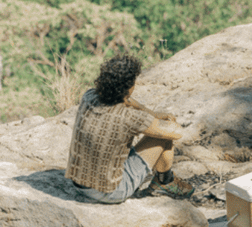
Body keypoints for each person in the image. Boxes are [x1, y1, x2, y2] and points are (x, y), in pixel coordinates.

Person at [65, 54, 194, 202]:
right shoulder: (129, 117)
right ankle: (164, 182)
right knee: (163, 138)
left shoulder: (89, 96)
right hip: (110, 192)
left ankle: (164, 181)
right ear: (129, 87)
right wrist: (160, 119)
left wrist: (151, 113)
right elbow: (176, 132)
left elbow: (126, 100)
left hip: (78, 183)